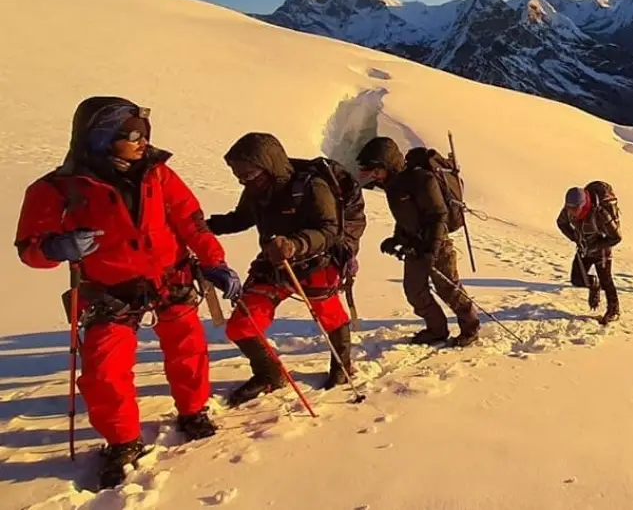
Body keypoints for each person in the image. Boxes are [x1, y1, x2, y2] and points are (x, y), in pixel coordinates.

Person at [13, 97, 240, 488]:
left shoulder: (159, 174)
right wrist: (54, 247)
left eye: (145, 134)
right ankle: (122, 440)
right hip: (109, 288)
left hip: (170, 276)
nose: (142, 142)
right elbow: (29, 246)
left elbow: (190, 221)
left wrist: (213, 261)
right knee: (104, 371)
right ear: (100, 138)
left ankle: (193, 411)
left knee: (188, 350)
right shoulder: (58, 188)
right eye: (131, 135)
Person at [206, 133, 355, 406]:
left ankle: (342, 365)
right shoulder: (255, 190)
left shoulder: (312, 186)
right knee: (242, 324)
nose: (243, 180)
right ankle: (269, 374)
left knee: (330, 317)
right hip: (273, 265)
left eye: (248, 174)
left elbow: (330, 230)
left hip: (315, 262)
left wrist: (295, 245)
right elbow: (241, 219)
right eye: (239, 175)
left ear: (269, 165)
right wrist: (205, 227)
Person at [356, 137, 480, 346]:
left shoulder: (421, 180)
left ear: (387, 165)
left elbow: (438, 215)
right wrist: (396, 239)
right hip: (415, 246)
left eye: (376, 170)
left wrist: (432, 248)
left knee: (448, 288)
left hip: (437, 245)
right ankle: (437, 330)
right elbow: (405, 216)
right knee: (414, 291)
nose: (374, 176)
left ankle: (470, 328)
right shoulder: (392, 185)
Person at [556, 183, 622, 325]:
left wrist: (596, 246)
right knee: (576, 279)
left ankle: (614, 310)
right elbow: (561, 222)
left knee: (606, 280)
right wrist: (575, 237)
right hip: (584, 247)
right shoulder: (569, 209)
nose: (572, 212)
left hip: (602, 250)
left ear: (583, 204)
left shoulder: (600, 214)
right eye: (569, 208)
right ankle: (593, 284)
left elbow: (616, 237)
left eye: (575, 209)